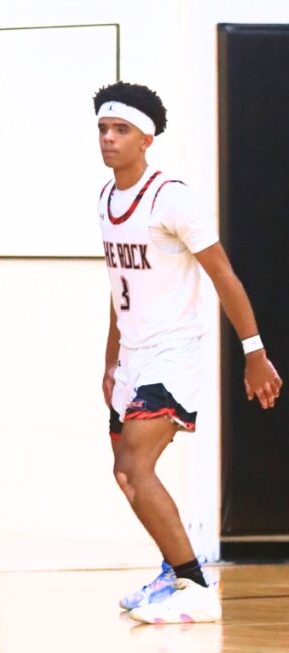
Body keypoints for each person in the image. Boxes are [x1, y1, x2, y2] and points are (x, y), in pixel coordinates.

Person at [94, 81, 282, 623]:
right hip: (132, 354)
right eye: (103, 129)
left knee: (136, 461)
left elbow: (223, 275)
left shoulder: (170, 196)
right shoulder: (106, 199)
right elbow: (117, 285)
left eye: (120, 129)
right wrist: (110, 358)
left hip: (173, 353)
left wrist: (254, 352)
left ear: (146, 138)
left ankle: (196, 587)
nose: (109, 138)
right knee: (126, 474)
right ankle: (174, 571)